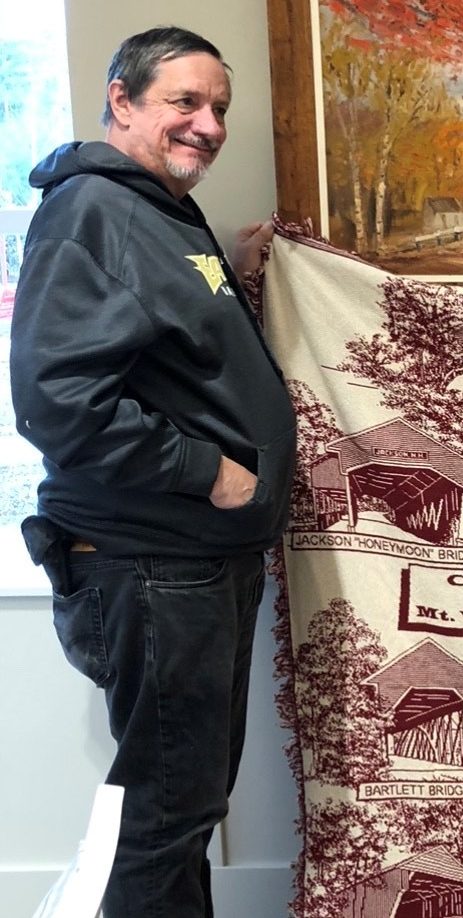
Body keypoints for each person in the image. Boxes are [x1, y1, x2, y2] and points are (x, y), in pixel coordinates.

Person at [9, 26, 295, 918]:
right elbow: (57, 398)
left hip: (189, 565)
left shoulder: (159, 210)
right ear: (122, 100)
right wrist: (207, 471)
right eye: (184, 102)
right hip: (158, 565)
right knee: (167, 814)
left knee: (179, 809)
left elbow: (164, 341)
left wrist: (234, 277)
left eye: (219, 108)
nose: (208, 125)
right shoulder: (94, 207)